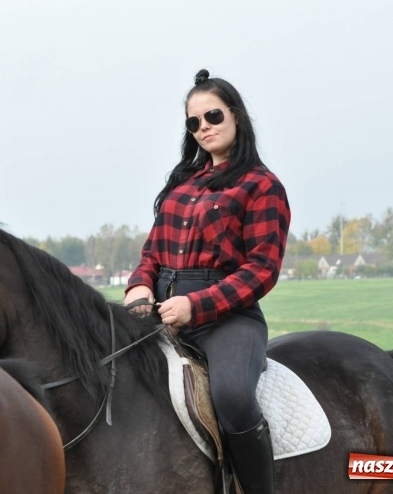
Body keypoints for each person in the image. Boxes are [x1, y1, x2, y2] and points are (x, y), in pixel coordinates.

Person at [124, 69, 290, 494]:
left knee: (233, 396)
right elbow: (152, 254)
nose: (203, 128)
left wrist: (195, 306)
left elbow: (261, 269)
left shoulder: (262, 186)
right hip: (160, 312)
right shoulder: (181, 185)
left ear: (235, 115)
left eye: (212, 116)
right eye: (193, 122)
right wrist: (140, 288)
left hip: (228, 320)